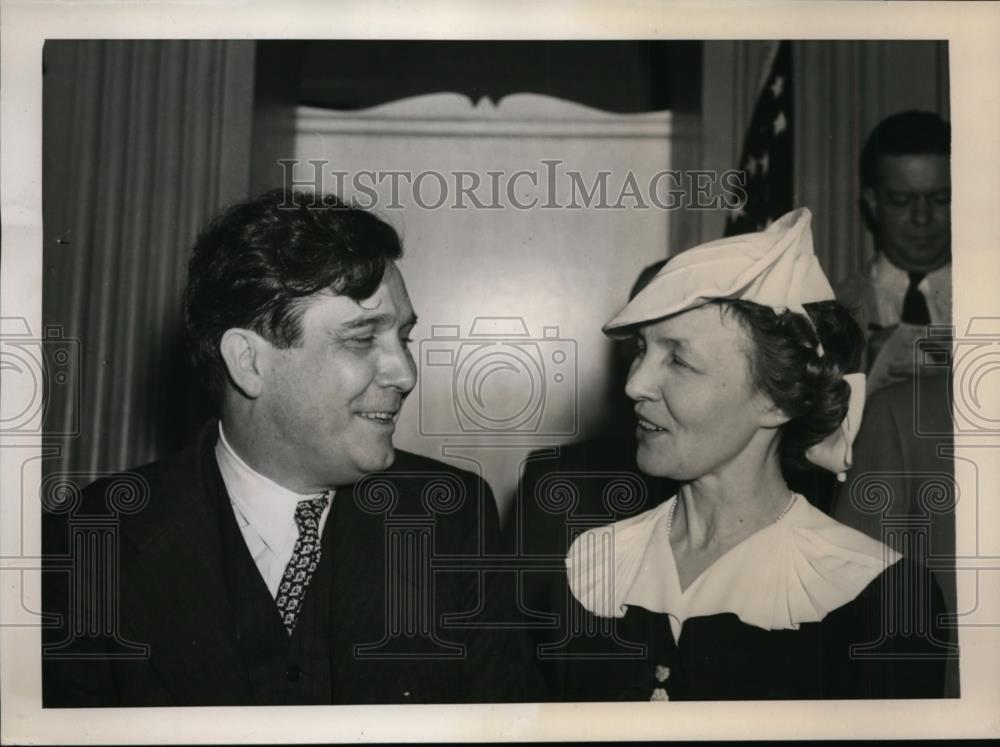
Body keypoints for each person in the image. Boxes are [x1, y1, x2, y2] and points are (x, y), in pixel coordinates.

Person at [42, 189, 541, 706]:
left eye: (404, 338)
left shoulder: (451, 517)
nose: (405, 374)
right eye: (361, 339)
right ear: (248, 362)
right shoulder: (87, 546)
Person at [551, 208, 951, 700]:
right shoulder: (593, 568)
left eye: (678, 360)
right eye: (641, 350)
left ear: (776, 400)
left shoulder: (880, 597)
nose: (635, 384)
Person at [835, 110, 951, 394]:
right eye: (901, 200)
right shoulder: (830, 310)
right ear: (873, 203)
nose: (922, 217)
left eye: (941, 198)